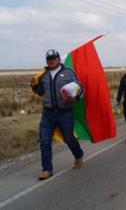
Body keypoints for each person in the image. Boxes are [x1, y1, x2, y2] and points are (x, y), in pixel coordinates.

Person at [31, 49, 84, 180]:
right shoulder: (43, 75)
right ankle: (47, 170)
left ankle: (78, 155)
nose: (51, 61)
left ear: (59, 59)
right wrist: (34, 87)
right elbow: (41, 92)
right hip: (48, 113)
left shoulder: (68, 72)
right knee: (44, 141)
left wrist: (76, 98)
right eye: (49, 59)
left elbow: (80, 88)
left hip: (65, 112)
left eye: (53, 58)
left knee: (68, 138)